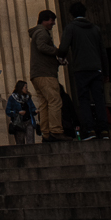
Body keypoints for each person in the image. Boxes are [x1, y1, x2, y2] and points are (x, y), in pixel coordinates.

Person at [57, 1, 110, 141]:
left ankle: (90, 129)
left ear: (71, 14)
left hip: (81, 69)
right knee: (99, 99)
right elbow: (103, 52)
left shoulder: (71, 28)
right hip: (96, 69)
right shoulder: (95, 29)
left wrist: (60, 57)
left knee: (84, 99)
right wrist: (106, 73)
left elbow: (63, 48)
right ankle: (104, 130)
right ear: (85, 13)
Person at [28, 10, 67, 141]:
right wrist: (58, 52)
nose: (53, 23)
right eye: (52, 20)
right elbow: (42, 46)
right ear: (45, 20)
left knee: (44, 104)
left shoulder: (37, 33)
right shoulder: (42, 32)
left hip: (37, 74)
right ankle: (56, 130)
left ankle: (46, 133)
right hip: (45, 74)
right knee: (55, 100)